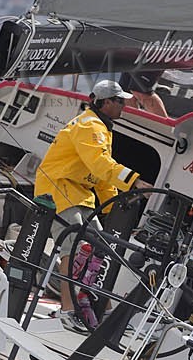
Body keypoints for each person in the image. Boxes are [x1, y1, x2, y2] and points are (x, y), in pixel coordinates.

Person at [34, 78, 149, 332]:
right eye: (120, 102)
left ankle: (102, 312)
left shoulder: (102, 127)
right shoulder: (90, 127)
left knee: (102, 248)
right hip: (57, 189)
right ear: (106, 102)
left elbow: (99, 175)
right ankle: (68, 310)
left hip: (77, 192)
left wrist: (112, 209)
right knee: (75, 247)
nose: (124, 107)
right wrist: (134, 181)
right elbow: (100, 165)